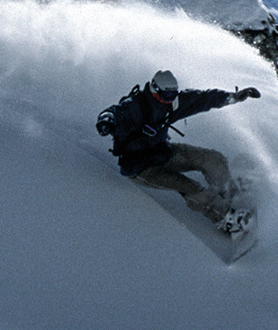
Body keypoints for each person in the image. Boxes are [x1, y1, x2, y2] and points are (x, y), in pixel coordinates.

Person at [96, 70, 261, 233]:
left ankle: (227, 193)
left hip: (162, 153)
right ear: (155, 90)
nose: (170, 99)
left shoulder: (172, 104)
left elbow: (203, 98)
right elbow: (114, 112)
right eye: (167, 95)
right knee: (191, 188)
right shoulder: (135, 106)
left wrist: (233, 97)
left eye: (173, 95)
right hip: (141, 168)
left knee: (212, 159)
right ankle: (228, 221)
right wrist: (106, 121)